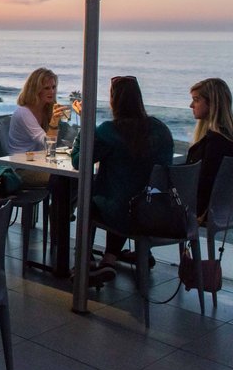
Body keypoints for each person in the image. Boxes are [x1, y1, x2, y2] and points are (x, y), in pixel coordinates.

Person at [72, 76, 174, 280]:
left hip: (124, 213)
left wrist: (86, 123)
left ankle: (85, 263)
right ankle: (110, 259)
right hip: (159, 211)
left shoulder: (110, 131)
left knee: (88, 203)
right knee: (122, 194)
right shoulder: (160, 129)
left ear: (113, 100)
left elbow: (78, 161)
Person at [187, 77, 233, 219]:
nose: (191, 105)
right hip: (228, 212)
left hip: (202, 212)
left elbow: (202, 184)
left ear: (212, 103)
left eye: (196, 100)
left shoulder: (216, 142)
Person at [8, 67, 69, 154]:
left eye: (53, 87)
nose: (52, 91)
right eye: (46, 88)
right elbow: (48, 143)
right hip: (21, 159)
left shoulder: (46, 109)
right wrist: (54, 122)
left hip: (39, 157)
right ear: (35, 90)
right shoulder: (23, 112)